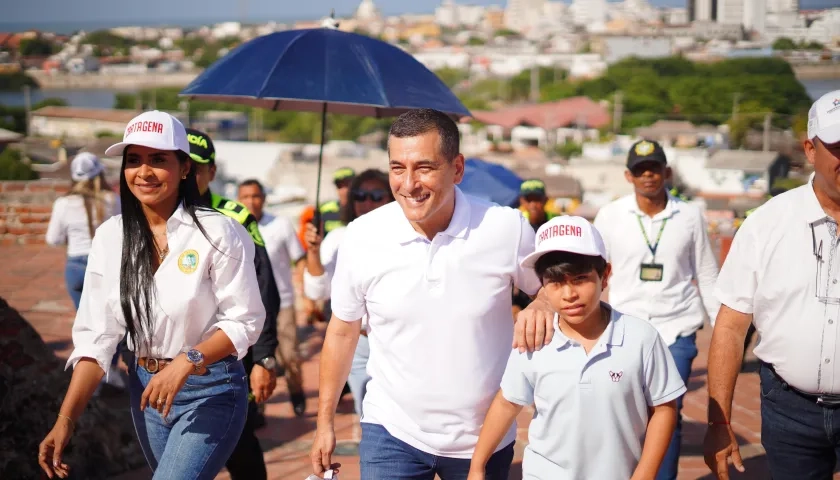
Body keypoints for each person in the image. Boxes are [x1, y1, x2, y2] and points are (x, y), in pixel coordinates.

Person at [309, 108, 555, 480]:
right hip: (390, 430)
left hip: (484, 438)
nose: (409, 184)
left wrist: (542, 302)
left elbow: (553, 288)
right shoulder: (361, 237)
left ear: (456, 168)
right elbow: (342, 331)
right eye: (397, 168)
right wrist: (324, 421)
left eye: (424, 167)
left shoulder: (505, 228)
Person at [37, 110, 265, 480]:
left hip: (212, 389)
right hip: (146, 394)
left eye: (158, 159)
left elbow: (245, 320)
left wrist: (186, 361)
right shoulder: (112, 237)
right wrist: (66, 420)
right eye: (134, 160)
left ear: (185, 168)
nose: (144, 172)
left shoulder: (218, 232)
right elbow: (97, 340)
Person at [469, 216, 685, 479]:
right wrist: (478, 465)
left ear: (605, 275)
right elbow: (507, 403)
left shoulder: (642, 338)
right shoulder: (535, 340)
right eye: (556, 282)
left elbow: (663, 407)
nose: (569, 294)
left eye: (580, 279)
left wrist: (645, 474)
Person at [704, 90, 840, 480]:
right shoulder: (767, 224)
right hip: (789, 411)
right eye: (838, 146)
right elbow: (730, 326)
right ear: (810, 150)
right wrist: (718, 422)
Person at [593, 139, 720, 480]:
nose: (647, 175)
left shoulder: (690, 215)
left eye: (653, 168)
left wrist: (724, 330)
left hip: (675, 327)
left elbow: (707, 275)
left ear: (667, 171)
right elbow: (595, 275)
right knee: (622, 409)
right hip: (623, 328)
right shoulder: (610, 216)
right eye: (639, 170)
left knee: (666, 409)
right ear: (628, 176)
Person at [186, 128, 279, 480]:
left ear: (211, 171)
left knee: (240, 446)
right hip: (172, 360)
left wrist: (266, 357)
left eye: (198, 167)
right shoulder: (156, 217)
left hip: (231, 354)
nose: (190, 174)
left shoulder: (235, 215)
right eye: (184, 165)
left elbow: (265, 288)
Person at [303, 169, 394, 430]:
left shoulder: (410, 234)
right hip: (357, 344)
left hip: (395, 342)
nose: (368, 203)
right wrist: (313, 252)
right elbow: (317, 292)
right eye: (361, 196)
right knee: (369, 419)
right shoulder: (339, 237)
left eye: (376, 195)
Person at [238, 178, 307, 417]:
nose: (251, 201)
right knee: (257, 358)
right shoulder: (235, 226)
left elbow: (300, 259)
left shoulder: (281, 225)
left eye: (255, 196)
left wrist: (306, 294)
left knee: (289, 355)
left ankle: (296, 392)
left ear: (264, 199)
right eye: (245, 197)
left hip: (283, 303)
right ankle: (259, 406)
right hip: (251, 306)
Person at [46, 152, 119, 310]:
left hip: (75, 266)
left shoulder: (63, 203)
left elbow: (53, 239)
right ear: (100, 174)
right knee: (109, 322)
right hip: (105, 264)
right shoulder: (112, 199)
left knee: (84, 322)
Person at [318, 167, 355, 235]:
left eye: (348, 185)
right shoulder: (324, 209)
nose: (344, 190)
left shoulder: (363, 209)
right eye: (339, 186)